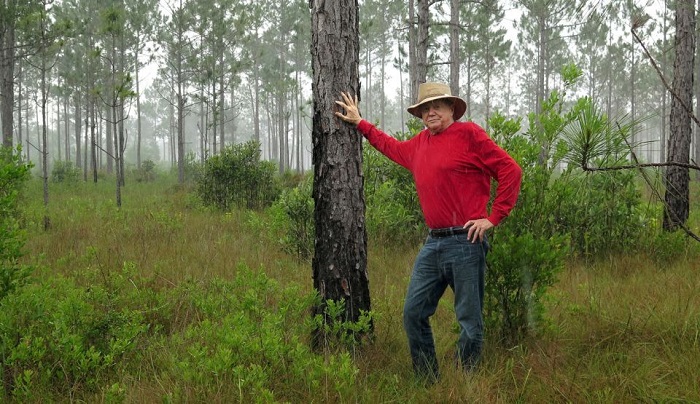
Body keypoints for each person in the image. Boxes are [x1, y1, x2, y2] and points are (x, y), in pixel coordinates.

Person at [334, 82, 522, 382]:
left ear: (451, 109)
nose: (430, 112)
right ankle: (428, 381)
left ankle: (465, 382)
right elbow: (390, 146)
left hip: (466, 241)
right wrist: (360, 123)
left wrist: (493, 218)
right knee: (413, 313)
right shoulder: (419, 144)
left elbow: (511, 170)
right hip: (434, 244)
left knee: (469, 322)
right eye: (424, 108)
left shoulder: (469, 134)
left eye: (437, 106)